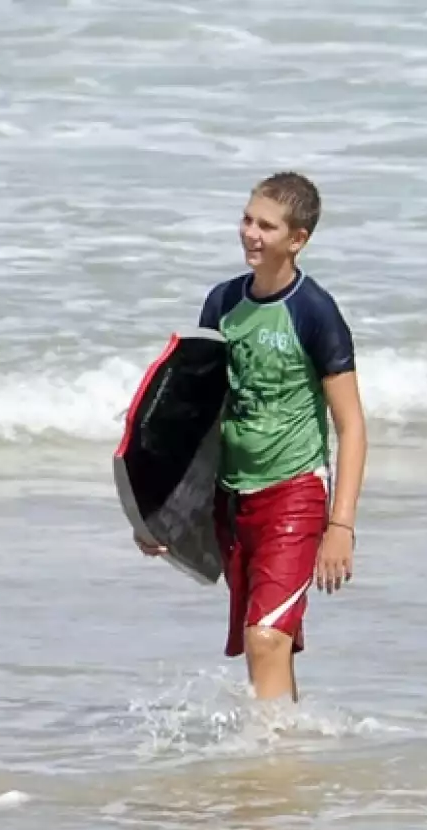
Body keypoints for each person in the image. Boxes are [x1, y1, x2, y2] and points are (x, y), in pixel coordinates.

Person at [137, 171, 367, 703]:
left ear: (298, 239)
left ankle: (266, 752)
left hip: (295, 491)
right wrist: (159, 512)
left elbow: (351, 425)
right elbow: (196, 416)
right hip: (234, 501)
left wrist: (341, 526)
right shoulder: (221, 303)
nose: (250, 233)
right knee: (267, 645)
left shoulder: (315, 312)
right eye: (247, 219)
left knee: (264, 638)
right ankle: (291, 745)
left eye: (266, 226)